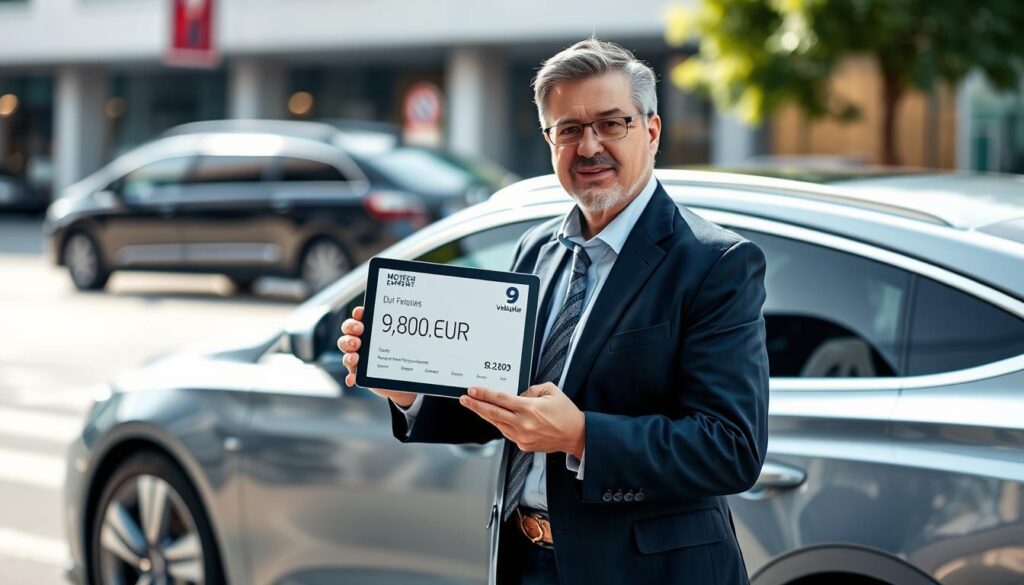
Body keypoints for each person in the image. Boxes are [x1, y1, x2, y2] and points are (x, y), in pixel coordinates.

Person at [338, 37, 769, 585]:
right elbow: (508, 405)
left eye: (612, 124)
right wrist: (410, 390)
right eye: (568, 129)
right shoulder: (535, 251)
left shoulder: (716, 263)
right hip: (524, 558)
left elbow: (730, 448)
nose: (589, 146)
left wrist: (582, 435)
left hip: (646, 571)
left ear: (652, 131)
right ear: (549, 140)